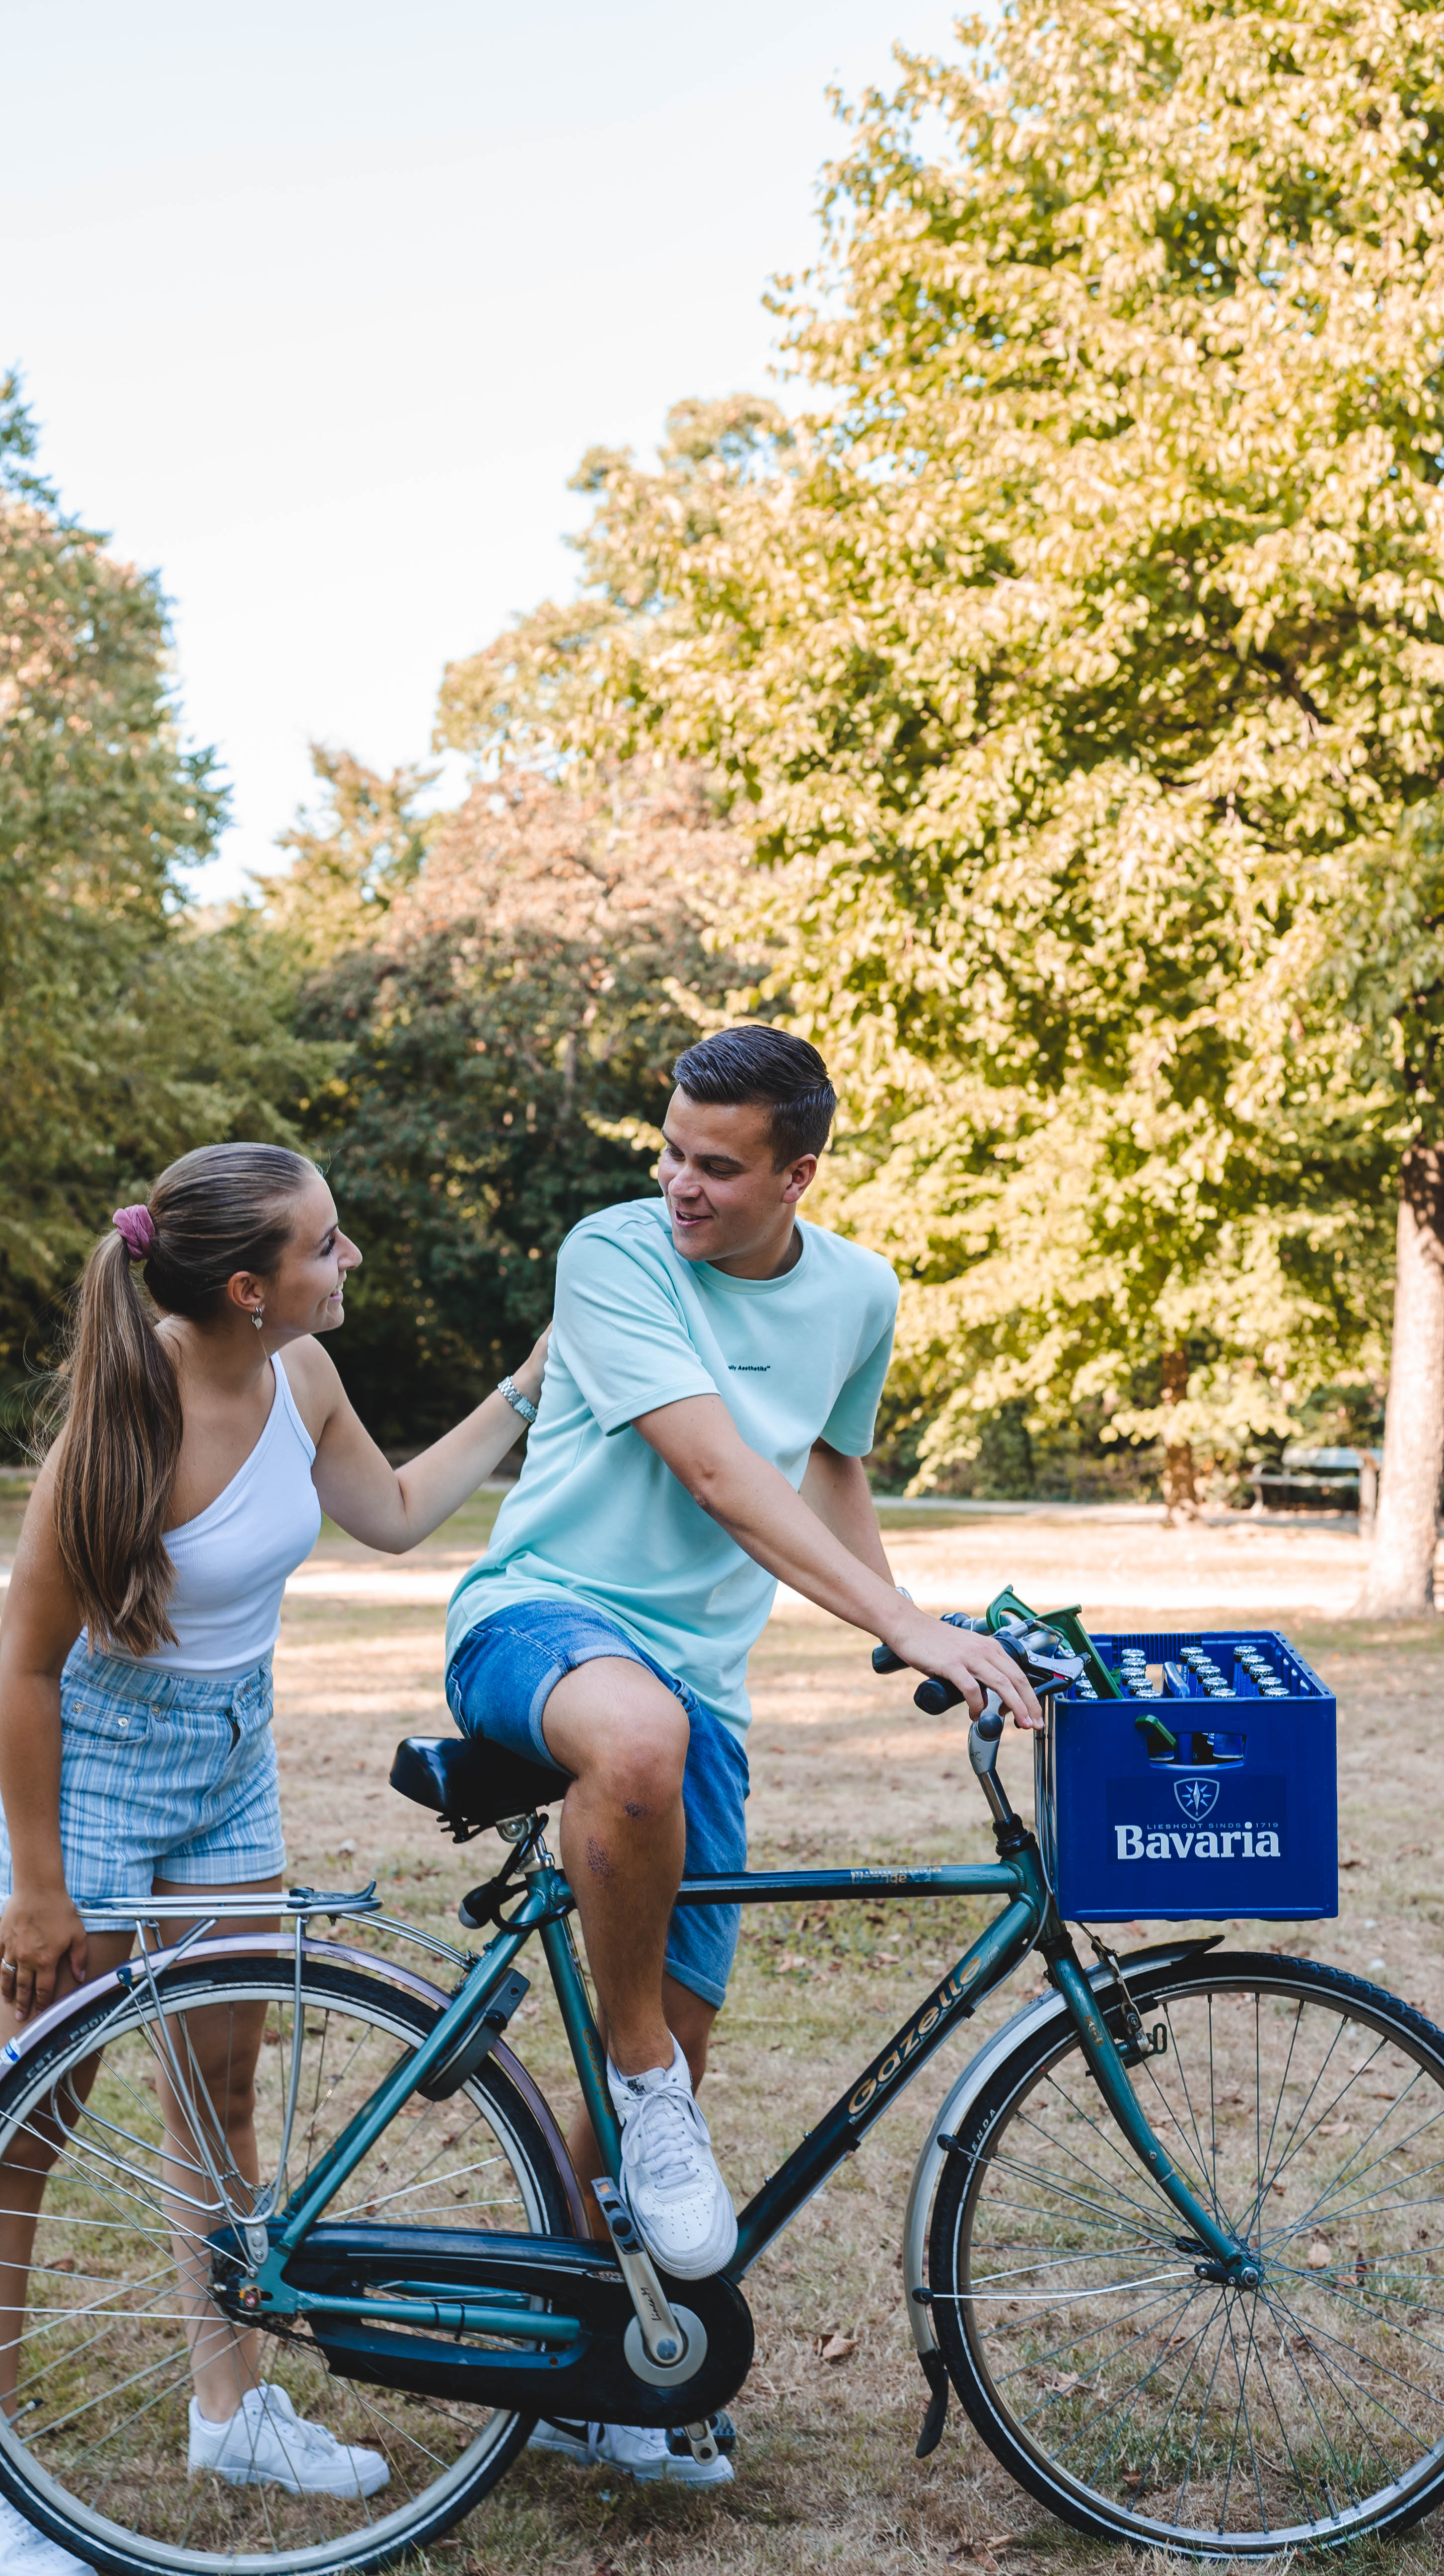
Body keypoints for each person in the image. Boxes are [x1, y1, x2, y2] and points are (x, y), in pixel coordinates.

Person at [0, 1140, 549, 2576]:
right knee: (25, 2128)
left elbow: (392, 1512)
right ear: (246, 1287)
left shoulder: (302, 1377)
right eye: (326, 1245)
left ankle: (232, 2410)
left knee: (220, 2097)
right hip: (87, 1780)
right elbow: (24, 1669)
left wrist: (529, 1386)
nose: (351, 1261)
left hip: (227, 1766)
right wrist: (39, 1889)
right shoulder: (121, 1425)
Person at [442, 1024, 1038, 2487]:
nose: (680, 1185)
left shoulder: (859, 1292)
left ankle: (590, 2365)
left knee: (681, 2024)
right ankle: (644, 2081)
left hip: (701, 1688)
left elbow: (833, 1464)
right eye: (670, 1152)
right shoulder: (615, 1253)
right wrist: (899, 1616)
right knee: (638, 1783)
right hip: (537, 1623)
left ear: (798, 1176)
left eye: (716, 1165)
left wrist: (907, 1624)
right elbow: (717, 1471)